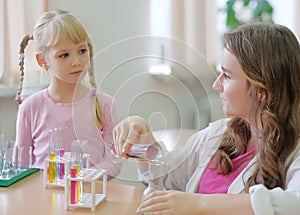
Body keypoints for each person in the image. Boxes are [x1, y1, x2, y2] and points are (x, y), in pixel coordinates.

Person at [113, 23, 300, 214]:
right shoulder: (218, 134)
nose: (216, 85)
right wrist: (142, 138)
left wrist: (197, 204)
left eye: (227, 76)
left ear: (261, 91)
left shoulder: (294, 151)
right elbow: (167, 177)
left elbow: (295, 203)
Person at [15, 9, 121, 179]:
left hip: (90, 198)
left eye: (82, 51)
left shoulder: (105, 104)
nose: (76, 61)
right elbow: (21, 165)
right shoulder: (29, 108)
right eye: (64, 55)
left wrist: (81, 178)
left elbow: (114, 158)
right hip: (42, 198)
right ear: (43, 61)